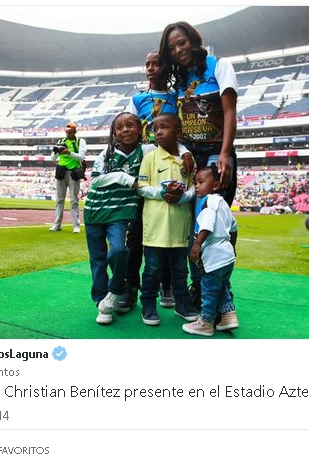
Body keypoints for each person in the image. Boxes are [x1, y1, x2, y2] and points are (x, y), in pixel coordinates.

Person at [159, 21, 239, 311]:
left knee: (217, 228)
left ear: (193, 40)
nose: (178, 50)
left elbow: (230, 111)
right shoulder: (179, 81)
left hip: (217, 156)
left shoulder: (219, 65)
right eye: (171, 47)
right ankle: (201, 293)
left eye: (181, 42)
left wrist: (225, 153)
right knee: (194, 229)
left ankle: (221, 298)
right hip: (191, 157)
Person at [118, 50, 194, 313]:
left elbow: (180, 131)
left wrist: (184, 152)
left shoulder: (177, 98)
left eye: (156, 64)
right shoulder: (136, 99)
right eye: (147, 64)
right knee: (137, 231)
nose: (150, 68)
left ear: (167, 67)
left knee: (167, 226)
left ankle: (168, 284)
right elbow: (125, 130)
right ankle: (130, 286)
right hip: (144, 166)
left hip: (169, 166)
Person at [84, 112, 156, 325]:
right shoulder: (105, 153)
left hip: (121, 213)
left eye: (130, 125)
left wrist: (186, 153)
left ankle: (115, 290)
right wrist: (126, 178)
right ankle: (101, 302)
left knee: (118, 250)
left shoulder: (147, 150)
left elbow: (170, 146)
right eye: (120, 127)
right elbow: (95, 182)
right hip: (95, 210)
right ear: (114, 133)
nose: (125, 130)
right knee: (97, 259)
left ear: (140, 129)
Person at [136, 113, 199, 326]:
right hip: (155, 227)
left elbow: (194, 189)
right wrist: (162, 193)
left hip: (180, 227)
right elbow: (142, 188)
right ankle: (148, 305)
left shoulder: (188, 159)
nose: (159, 132)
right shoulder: (150, 158)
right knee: (152, 269)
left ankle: (183, 306)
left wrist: (182, 197)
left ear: (178, 132)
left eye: (164, 127)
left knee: (180, 271)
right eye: (156, 128)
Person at [182, 165, 238, 336]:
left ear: (215, 185)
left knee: (209, 290)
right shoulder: (223, 204)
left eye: (200, 182)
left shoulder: (208, 202)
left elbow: (207, 224)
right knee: (222, 287)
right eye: (195, 182)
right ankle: (229, 316)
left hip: (213, 258)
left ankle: (206, 322)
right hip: (227, 257)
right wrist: (233, 247)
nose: (196, 186)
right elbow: (234, 228)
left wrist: (197, 245)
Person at [50, 122, 86, 233]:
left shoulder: (80, 141)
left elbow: (81, 157)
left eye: (70, 132)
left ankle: (76, 225)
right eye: (67, 132)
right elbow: (52, 158)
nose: (68, 134)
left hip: (73, 172)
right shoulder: (61, 141)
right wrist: (57, 151)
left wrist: (69, 152)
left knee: (74, 200)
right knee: (59, 200)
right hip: (61, 172)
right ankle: (57, 224)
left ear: (75, 132)